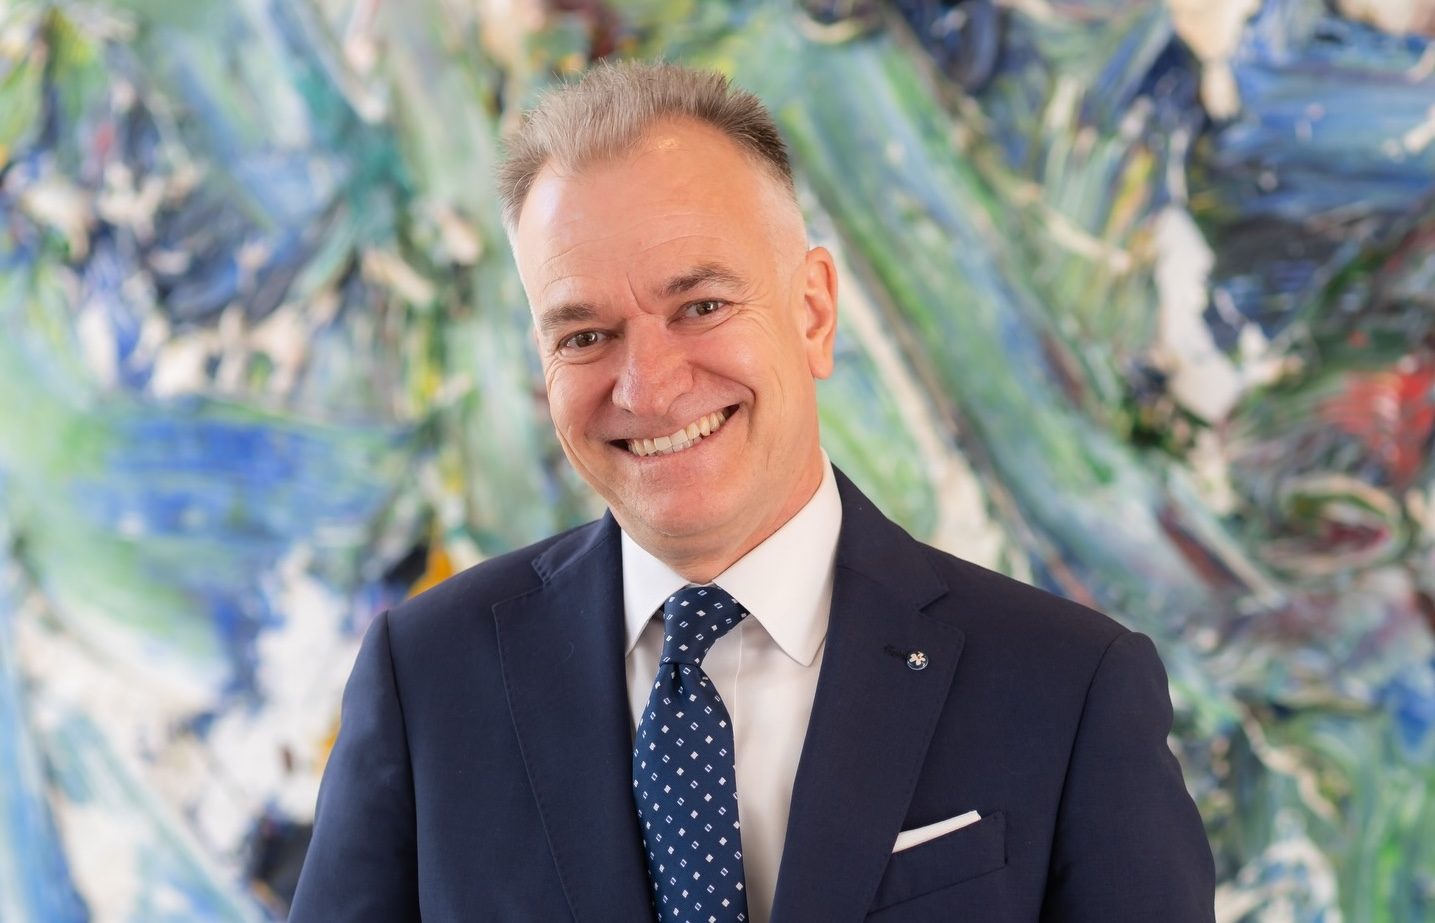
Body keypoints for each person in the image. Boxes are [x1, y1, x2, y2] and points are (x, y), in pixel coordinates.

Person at [290, 61, 1215, 922]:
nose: (646, 386)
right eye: (583, 335)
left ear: (812, 310)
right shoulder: (427, 678)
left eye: (700, 306)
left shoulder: (1065, 687)